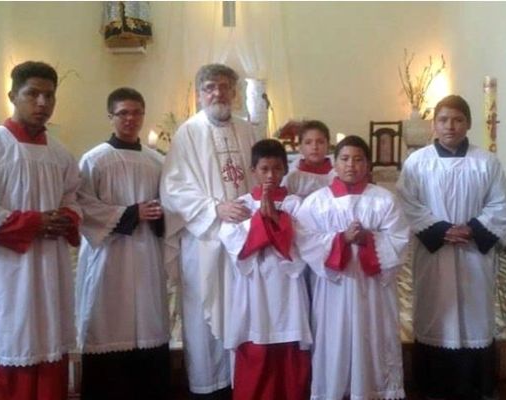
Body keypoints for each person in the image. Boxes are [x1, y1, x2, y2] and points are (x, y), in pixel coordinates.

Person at [0, 61, 80, 400]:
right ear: (12, 96)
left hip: (47, 270)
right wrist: (35, 222)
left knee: (46, 343)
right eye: (32, 94)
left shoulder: (61, 154)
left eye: (49, 96)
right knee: (5, 342)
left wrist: (67, 218)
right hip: (2, 273)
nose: (42, 103)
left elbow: (74, 198)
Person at [396, 95, 506, 400]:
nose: (450, 126)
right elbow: (407, 203)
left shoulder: (486, 162)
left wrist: (472, 229)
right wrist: (440, 230)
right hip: (434, 254)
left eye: (458, 120)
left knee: (475, 312)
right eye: (444, 120)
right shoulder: (417, 163)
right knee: (436, 310)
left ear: (468, 124)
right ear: (433, 125)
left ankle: (477, 384)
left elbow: (501, 204)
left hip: (474, 254)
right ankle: (434, 386)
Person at [160, 63, 255, 399]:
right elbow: (173, 188)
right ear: (199, 94)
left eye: (224, 86)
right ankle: (210, 386)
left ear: (234, 92)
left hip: (245, 242)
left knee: (244, 311)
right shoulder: (188, 133)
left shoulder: (248, 130)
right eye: (210, 87)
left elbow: (260, 176)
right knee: (204, 316)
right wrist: (215, 208)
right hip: (204, 241)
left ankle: (244, 382)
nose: (218, 93)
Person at [296, 135, 411, 400]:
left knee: (373, 336)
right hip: (333, 289)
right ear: (334, 163)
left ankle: (374, 390)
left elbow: (399, 239)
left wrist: (368, 240)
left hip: (373, 289)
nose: (351, 165)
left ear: (368, 165)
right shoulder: (317, 202)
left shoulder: (384, 200)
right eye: (345, 159)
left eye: (358, 159)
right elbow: (305, 240)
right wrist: (342, 240)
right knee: (333, 337)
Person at [75, 87, 170, 399]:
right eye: (123, 113)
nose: (130, 119)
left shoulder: (157, 161)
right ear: (110, 116)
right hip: (109, 259)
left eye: (136, 112)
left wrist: (161, 213)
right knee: (107, 326)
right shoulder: (95, 159)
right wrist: (131, 213)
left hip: (147, 257)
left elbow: (170, 204)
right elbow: (83, 206)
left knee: (149, 327)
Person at [218, 139, 312, 400]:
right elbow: (233, 242)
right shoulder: (242, 204)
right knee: (255, 342)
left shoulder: (296, 204)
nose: (271, 175)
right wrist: (262, 220)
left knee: (289, 344)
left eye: (277, 168)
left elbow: (307, 243)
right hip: (253, 288)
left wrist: (277, 220)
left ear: (285, 170)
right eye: (264, 169)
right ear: (253, 171)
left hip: (288, 289)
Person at [283, 120, 335, 197]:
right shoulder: (292, 176)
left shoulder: (337, 173)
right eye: (308, 142)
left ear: (328, 145)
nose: (314, 147)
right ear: (300, 147)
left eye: (320, 142)